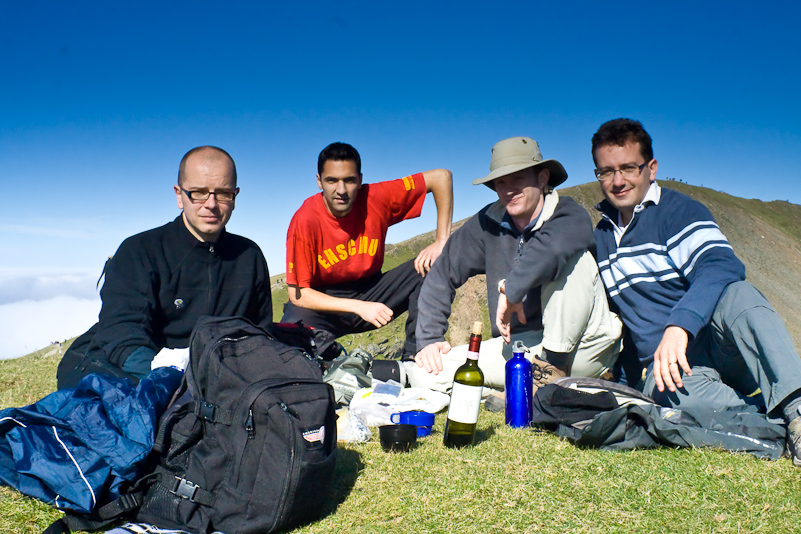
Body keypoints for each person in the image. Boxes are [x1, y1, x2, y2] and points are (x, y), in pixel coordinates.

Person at [590, 118, 801, 465]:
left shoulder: (679, 212)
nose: (617, 180)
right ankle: (770, 419)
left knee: (739, 295)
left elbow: (721, 264)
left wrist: (679, 326)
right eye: (606, 171)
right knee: (669, 393)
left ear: (651, 168)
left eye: (628, 167)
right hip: (669, 371)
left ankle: (797, 407)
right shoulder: (601, 237)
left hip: (713, 343)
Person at [409, 136, 622, 394]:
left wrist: (512, 290)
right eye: (501, 182)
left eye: (518, 179)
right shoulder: (486, 224)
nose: (509, 190)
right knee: (427, 373)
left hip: (584, 345)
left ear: (542, 179)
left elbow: (552, 249)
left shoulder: (569, 214)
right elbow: (443, 272)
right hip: (524, 349)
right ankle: (515, 393)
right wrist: (430, 339)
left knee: (575, 259)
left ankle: (552, 374)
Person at [56, 146, 273, 389]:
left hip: (218, 379)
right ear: (179, 195)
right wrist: (180, 381)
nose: (211, 204)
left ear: (235, 196)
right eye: (198, 193)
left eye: (223, 194)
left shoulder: (249, 256)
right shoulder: (140, 251)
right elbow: (122, 336)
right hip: (146, 376)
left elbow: (259, 333)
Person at [281, 142, 453, 359]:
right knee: (288, 340)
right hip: (324, 304)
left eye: (349, 180)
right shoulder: (304, 220)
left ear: (360, 180)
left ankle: (416, 357)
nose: (341, 190)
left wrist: (441, 241)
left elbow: (441, 177)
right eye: (332, 180)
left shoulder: (376, 196)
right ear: (319, 181)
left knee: (433, 266)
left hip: (372, 291)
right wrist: (357, 306)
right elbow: (298, 294)